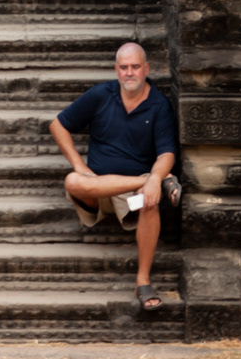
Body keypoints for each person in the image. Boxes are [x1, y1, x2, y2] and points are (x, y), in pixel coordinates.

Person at [49, 42, 180, 313]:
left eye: (135, 67)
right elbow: (57, 124)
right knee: (73, 180)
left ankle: (142, 281)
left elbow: (167, 153)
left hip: (131, 200)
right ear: (116, 70)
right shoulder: (100, 94)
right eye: (123, 68)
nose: (129, 73)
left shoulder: (159, 105)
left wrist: (153, 181)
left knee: (149, 200)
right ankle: (149, 180)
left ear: (146, 69)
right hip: (96, 192)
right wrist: (79, 164)